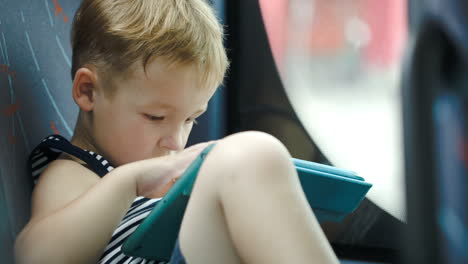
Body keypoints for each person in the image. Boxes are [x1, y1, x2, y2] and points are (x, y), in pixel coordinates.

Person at [14, 0, 339, 263]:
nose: (176, 141)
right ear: (88, 92)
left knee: (254, 160)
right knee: (251, 153)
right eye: (156, 117)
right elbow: (37, 256)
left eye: (190, 120)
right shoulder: (78, 171)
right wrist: (132, 180)